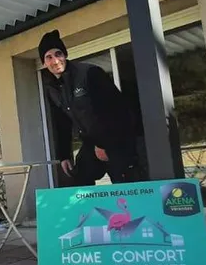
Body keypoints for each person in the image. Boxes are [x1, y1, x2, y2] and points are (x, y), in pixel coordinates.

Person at [38, 30, 141, 186]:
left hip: (116, 140)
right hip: (91, 142)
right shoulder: (53, 88)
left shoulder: (89, 73)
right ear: (44, 63)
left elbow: (116, 110)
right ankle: (89, 211)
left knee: (125, 188)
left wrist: (104, 144)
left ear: (65, 55)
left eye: (58, 54)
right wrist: (64, 155)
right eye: (49, 57)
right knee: (80, 177)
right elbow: (62, 123)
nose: (55, 60)